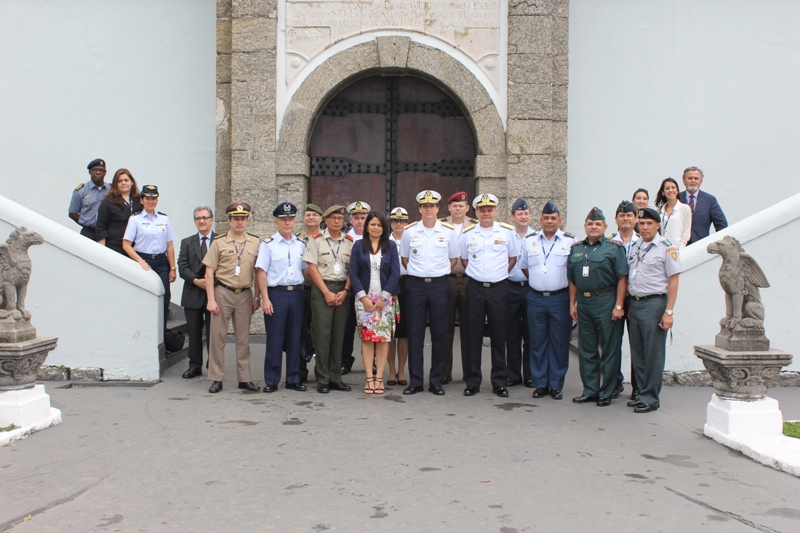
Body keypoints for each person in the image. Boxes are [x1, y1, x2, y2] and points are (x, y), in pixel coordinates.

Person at [399, 190, 459, 396]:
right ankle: (415, 381)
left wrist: (435, 273)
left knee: (439, 334)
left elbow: (453, 260)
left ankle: (436, 381)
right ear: (419, 209)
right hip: (415, 285)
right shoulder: (410, 231)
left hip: (439, 285)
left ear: (437, 208)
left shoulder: (449, 231)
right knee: (415, 333)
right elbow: (405, 259)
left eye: (432, 206)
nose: (428, 209)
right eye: (424, 206)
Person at [568, 207, 628, 407]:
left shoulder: (614, 247)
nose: (594, 227)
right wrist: (572, 304)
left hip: (606, 301)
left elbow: (622, 278)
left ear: (605, 227)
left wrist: (619, 305)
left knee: (609, 349)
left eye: (598, 224)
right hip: (584, 304)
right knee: (587, 349)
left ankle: (607, 391)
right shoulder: (576, 248)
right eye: (590, 224)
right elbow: (573, 280)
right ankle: (590, 390)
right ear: (585, 226)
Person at [517, 201, 576, 400]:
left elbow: (572, 273)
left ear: (560, 220)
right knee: (537, 341)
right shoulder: (530, 241)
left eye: (553, 218)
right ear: (540, 220)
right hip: (536, 298)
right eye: (546, 218)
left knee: (559, 342)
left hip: (560, 298)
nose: (550, 221)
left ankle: (556, 384)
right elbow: (525, 267)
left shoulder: (569, 242)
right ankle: (540, 383)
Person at [460, 193, 516, 398]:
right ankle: (473, 381)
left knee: (499, 335)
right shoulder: (467, 233)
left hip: (499, 288)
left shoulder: (507, 232)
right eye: (482, 210)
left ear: (496, 211)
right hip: (474, 287)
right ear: (476, 212)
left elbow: (512, 259)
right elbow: (464, 260)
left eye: (489, 209)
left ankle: (499, 381)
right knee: (472, 335)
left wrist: (497, 275)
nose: (486, 213)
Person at [626, 207, 681, 413]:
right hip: (636, 303)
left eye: (649, 223)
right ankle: (640, 391)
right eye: (642, 223)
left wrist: (669, 312)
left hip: (654, 304)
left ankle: (651, 398)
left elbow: (673, 281)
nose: (645, 227)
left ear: (658, 225)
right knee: (638, 352)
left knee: (653, 353)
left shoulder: (667, 248)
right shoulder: (636, 246)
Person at [203, 202, 261, 394]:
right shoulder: (219, 242)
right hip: (223, 293)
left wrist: (257, 297)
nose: (239, 222)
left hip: (245, 294)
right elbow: (209, 272)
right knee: (218, 337)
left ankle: (244, 378)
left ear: (247, 220)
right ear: (229, 220)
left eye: (243, 218)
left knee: (243, 339)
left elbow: (258, 271)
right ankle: (216, 378)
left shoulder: (255, 242)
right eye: (235, 218)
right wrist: (211, 299)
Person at [256, 202, 307, 393]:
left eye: (291, 219)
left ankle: (293, 378)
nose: (287, 223)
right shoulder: (267, 245)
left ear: (295, 221)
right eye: (283, 219)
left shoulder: (301, 245)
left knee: (295, 338)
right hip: (276, 294)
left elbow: (307, 271)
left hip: (296, 293)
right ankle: (272, 379)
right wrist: (265, 299)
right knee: (275, 339)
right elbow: (261, 273)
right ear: (276, 222)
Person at [303, 205, 354, 394]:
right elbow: (312, 268)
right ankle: (322, 378)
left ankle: (336, 377)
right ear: (325, 220)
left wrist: (346, 291)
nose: (336, 221)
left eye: (339, 218)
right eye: (332, 218)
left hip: (342, 290)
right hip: (322, 289)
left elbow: (352, 270)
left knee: (338, 335)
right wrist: (325, 292)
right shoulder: (316, 241)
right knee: (323, 336)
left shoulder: (349, 242)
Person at [349, 211, 401, 394]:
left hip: (385, 301)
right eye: (372, 224)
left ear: (384, 227)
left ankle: (379, 378)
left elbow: (395, 273)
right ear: (367, 227)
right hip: (363, 300)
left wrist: (383, 297)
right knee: (367, 339)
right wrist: (363, 297)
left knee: (383, 340)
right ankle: (369, 379)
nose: (376, 228)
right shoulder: (358, 246)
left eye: (379, 225)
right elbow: (353, 273)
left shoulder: (391, 246)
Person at [122, 185, 176, 332]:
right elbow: (126, 244)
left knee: (164, 298)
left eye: (154, 198)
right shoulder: (135, 219)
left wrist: (172, 268)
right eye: (148, 198)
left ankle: (162, 334)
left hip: (161, 262)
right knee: (145, 298)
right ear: (141, 200)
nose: (151, 201)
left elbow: (169, 245)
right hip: (143, 261)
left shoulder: (164, 219)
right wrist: (139, 260)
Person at [440, 191, 477, 383]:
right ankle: (445, 372)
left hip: (469, 280)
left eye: (461, 205)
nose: (457, 208)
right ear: (449, 207)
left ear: (467, 208)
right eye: (454, 205)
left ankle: (469, 372)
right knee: (445, 328)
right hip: (446, 279)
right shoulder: (440, 225)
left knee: (468, 328)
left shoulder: (476, 227)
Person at [177, 206, 215, 379]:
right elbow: (182, 266)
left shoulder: (220, 241)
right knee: (193, 332)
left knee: (214, 332)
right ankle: (194, 365)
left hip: (213, 295)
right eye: (198, 218)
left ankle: (213, 364)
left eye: (205, 218)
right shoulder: (186, 242)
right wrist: (196, 280)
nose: (202, 221)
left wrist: (209, 282)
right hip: (192, 293)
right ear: (194, 221)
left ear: (211, 220)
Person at [607, 200, 639, 399]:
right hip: (613, 298)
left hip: (636, 299)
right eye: (622, 215)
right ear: (616, 219)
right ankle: (614, 382)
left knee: (637, 345)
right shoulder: (608, 242)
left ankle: (638, 387)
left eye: (629, 215)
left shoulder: (643, 240)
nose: (625, 218)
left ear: (636, 218)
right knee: (612, 344)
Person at [505, 198, 535, 388]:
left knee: (531, 334)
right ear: (512, 216)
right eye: (519, 214)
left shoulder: (537, 236)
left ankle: (530, 374)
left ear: (530, 215)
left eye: (526, 213)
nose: (523, 217)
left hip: (531, 288)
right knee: (512, 333)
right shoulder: (506, 235)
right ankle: (513, 375)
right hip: (510, 287)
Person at [341, 200, 370, 375]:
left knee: (370, 326)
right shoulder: (345, 239)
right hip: (349, 288)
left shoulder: (373, 238)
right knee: (347, 327)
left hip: (368, 289)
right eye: (356, 218)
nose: (360, 221)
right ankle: (345, 360)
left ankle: (371, 361)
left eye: (363, 218)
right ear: (350, 220)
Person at [297, 203, 324, 383]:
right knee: (301, 331)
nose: (311, 218)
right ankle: (300, 371)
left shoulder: (327, 239)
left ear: (321, 219)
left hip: (322, 291)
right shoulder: (295, 239)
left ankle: (323, 372)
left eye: (315, 215)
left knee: (322, 332)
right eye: (308, 215)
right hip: (302, 291)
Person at [96, 168, 143, 255]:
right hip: (115, 248)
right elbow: (101, 228)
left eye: (126, 180)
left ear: (132, 182)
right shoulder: (108, 202)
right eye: (120, 181)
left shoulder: (139, 201)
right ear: (115, 184)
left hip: (136, 248)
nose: (123, 183)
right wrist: (102, 252)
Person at [387, 207, 409, 387]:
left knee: (404, 331)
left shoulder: (413, 239)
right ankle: (391, 370)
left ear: (407, 223)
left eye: (402, 221)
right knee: (390, 331)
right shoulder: (385, 242)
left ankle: (401, 369)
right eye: (395, 221)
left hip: (408, 285)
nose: (398, 224)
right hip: (390, 286)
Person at [679, 166, 728, 245]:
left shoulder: (709, 200)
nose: (693, 181)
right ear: (684, 180)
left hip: (701, 246)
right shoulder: (676, 199)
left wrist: (715, 244)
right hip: (679, 247)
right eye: (690, 178)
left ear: (701, 181)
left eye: (696, 178)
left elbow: (722, 225)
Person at [68, 158, 110, 241]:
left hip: (107, 233)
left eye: (101, 170)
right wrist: (86, 222)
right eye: (95, 170)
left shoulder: (111, 190)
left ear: (105, 173)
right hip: (88, 232)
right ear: (90, 172)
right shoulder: (81, 190)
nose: (98, 172)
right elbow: (72, 213)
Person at [655, 177, 692, 248]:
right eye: (667, 188)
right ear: (663, 192)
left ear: (677, 190)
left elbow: (686, 233)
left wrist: (680, 247)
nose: (671, 190)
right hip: (662, 248)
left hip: (677, 249)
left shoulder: (684, 208)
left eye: (673, 187)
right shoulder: (660, 210)